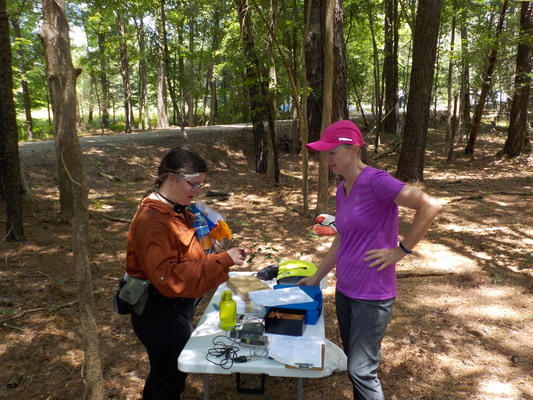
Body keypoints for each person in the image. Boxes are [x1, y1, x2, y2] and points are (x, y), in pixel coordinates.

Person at [298, 120, 442, 400]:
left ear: (354, 150)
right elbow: (342, 238)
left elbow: (430, 205)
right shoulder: (343, 188)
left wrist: (401, 250)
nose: (326, 159)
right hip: (346, 288)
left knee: (361, 370)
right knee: (355, 363)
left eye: (332, 153)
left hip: (373, 292)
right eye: (325, 154)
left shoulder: (377, 181)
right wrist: (317, 277)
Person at [125, 145, 247, 399]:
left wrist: (208, 245)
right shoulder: (152, 220)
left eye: (201, 184)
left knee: (166, 373)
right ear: (171, 178)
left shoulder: (175, 208)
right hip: (159, 313)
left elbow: (184, 251)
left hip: (176, 307)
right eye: (193, 184)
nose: (197, 190)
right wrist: (223, 260)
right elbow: (169, 277)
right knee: (169, 379)